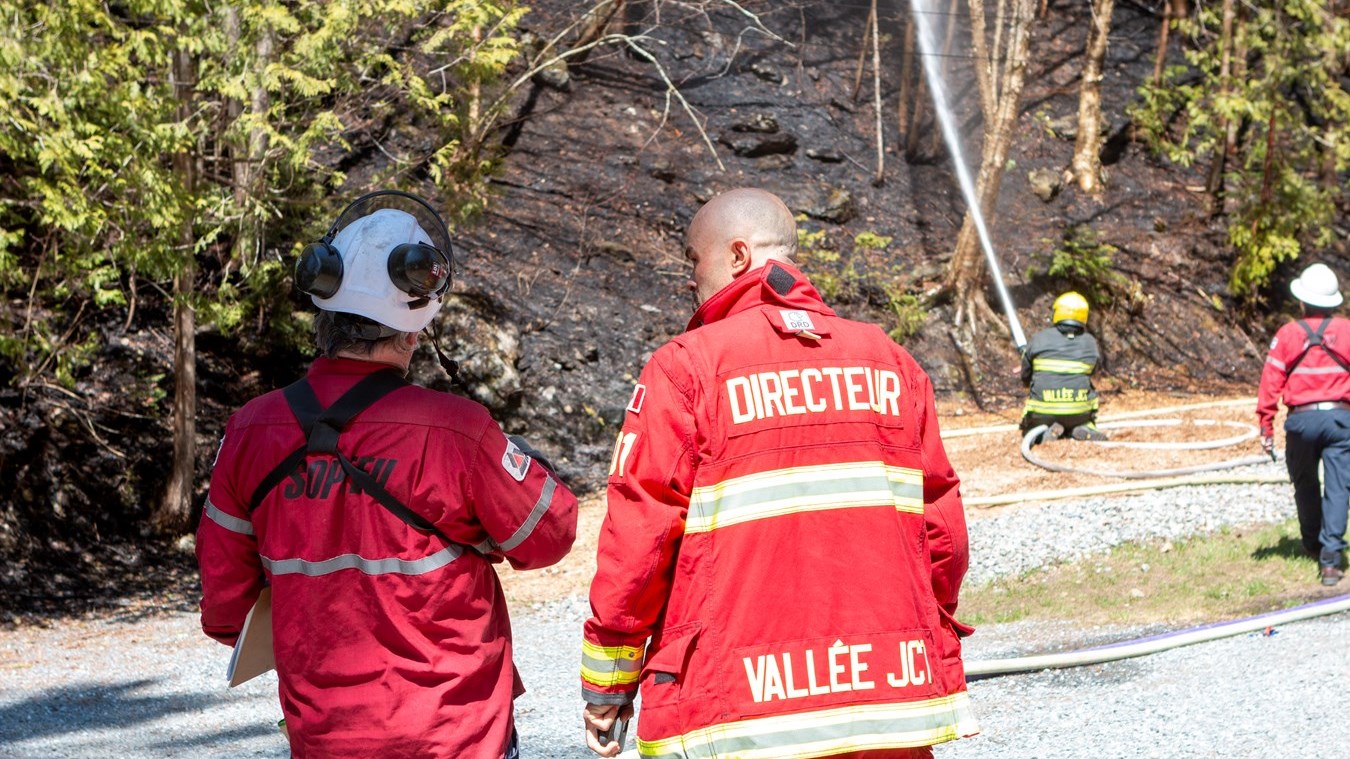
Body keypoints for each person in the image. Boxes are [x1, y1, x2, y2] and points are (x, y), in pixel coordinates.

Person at [579, 188, 979, 759]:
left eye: (695, 259)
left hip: (740, 706)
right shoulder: (891, 361)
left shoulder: (688, 368)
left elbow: (638, 539)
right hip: (889, 697)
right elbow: (943, 533)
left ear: (738, 256)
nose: (690, 280)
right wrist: (916, 633)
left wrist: (609, 683)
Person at [196, 190, 578, 757]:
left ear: (325, 308)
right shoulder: (455, 431)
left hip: (324, 737)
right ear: (412, 328)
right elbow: (549, 537)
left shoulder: (250, 431)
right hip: (454, 736)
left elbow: (228, 613)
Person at [1257, 262, 1350, 586]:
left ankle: (1312, 543)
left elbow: (1270, 381)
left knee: (1306, 484)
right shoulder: (1348, 330)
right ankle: (1330, 562)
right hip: (1340, 420)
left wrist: (1265, 424)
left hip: (1300, 421)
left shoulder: (1287, 334)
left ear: (1302, 300)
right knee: (1339, 488)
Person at [1019, 291, 1107, 442]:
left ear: (1056, 312)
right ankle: (1083, 428)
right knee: (1082, 415)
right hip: (1079, 413)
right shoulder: (1090, 343)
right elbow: (1093, 371)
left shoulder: (1039, 338)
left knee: (1028, 427)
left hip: (1042, 412)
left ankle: (1040, 434)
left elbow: (1025, 376)